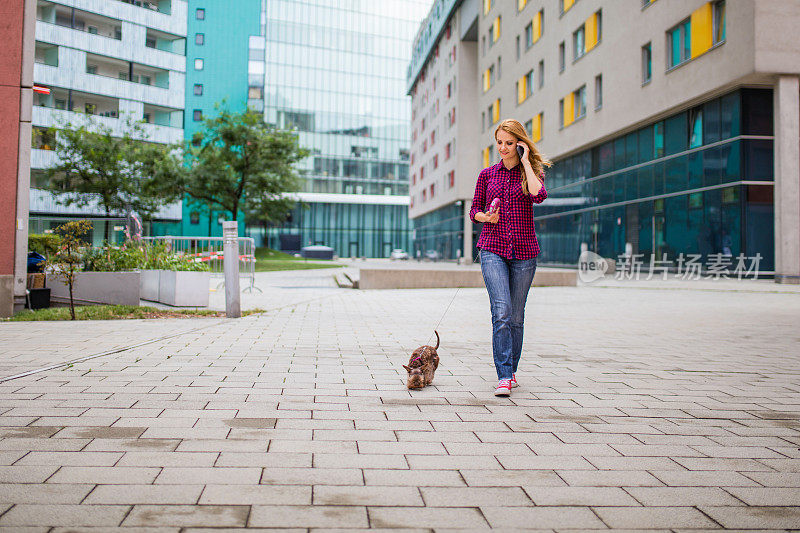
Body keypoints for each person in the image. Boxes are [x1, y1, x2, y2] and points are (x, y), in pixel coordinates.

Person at [468, 119, 550, 397]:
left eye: (509, 143)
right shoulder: (487, 175)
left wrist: (527, 162)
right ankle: (503, 375)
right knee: (501, 313)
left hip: (525, 252)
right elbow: (473, 210)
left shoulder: (531, 173)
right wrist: (485, 217)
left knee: (516, 316)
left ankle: (512, 370)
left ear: (520, 144)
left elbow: (539, 195)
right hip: (492, 249)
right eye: (499, 142)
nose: (503, 148)